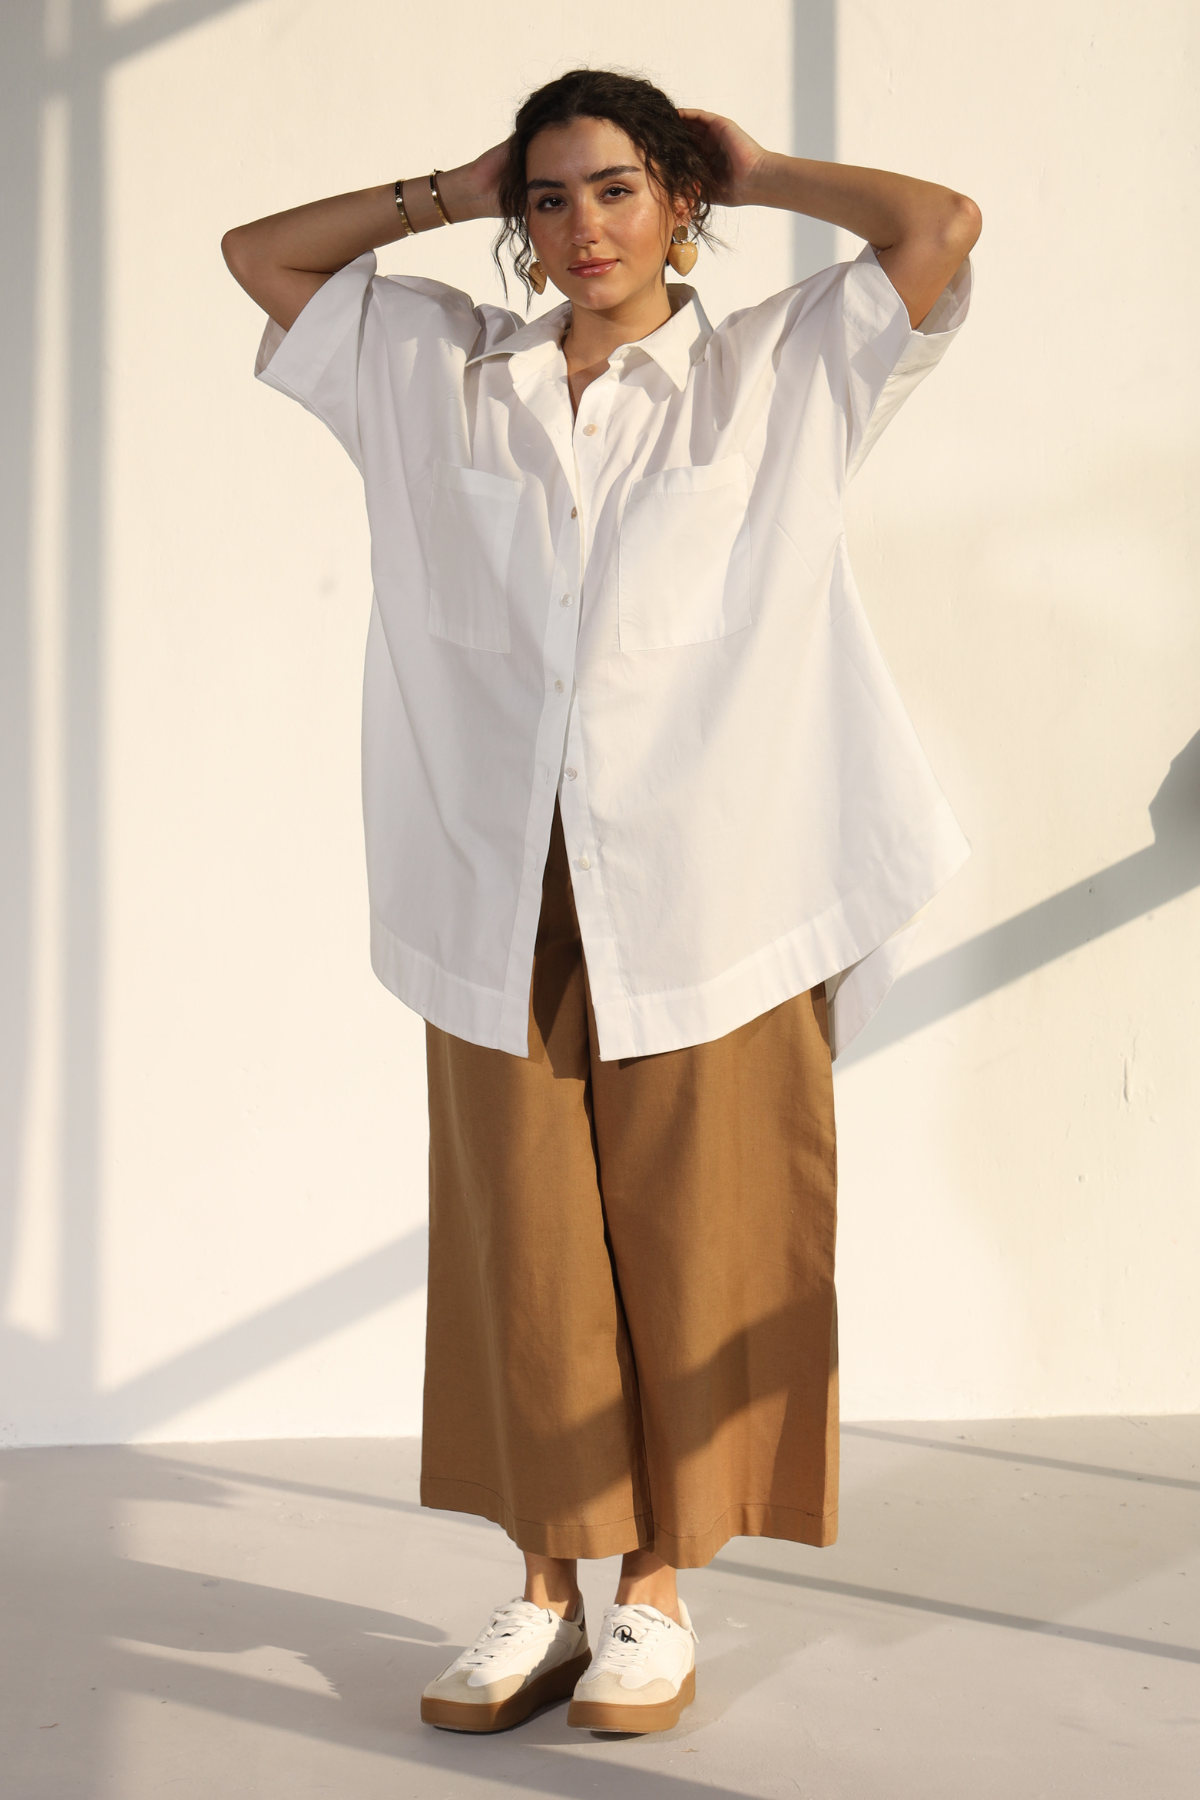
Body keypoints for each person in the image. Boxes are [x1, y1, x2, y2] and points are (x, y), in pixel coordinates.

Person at [222, 66, 980, 1737]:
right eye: (551, 198)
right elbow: (260, 257)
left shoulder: (780, 368)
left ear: (678, 201)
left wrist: (758, 168)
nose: (583, 227)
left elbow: (938, 227)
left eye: (620, 189)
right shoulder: (434, 370)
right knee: (529, 1249)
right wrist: (451, 187)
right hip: (499, 883)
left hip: (713, 884)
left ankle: (655, 1593)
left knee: (701, 1238)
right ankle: (546, 1587)